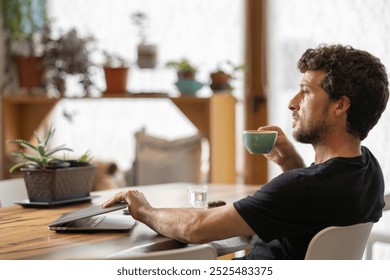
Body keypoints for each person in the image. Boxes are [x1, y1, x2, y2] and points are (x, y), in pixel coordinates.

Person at [103, 44, 389, 259]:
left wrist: (144, 209)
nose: (292, 102)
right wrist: (291, 162)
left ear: (341, 105)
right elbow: (312, 209)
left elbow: (195, 227)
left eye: (306, 91)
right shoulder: (369, 170)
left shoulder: (300, 188)